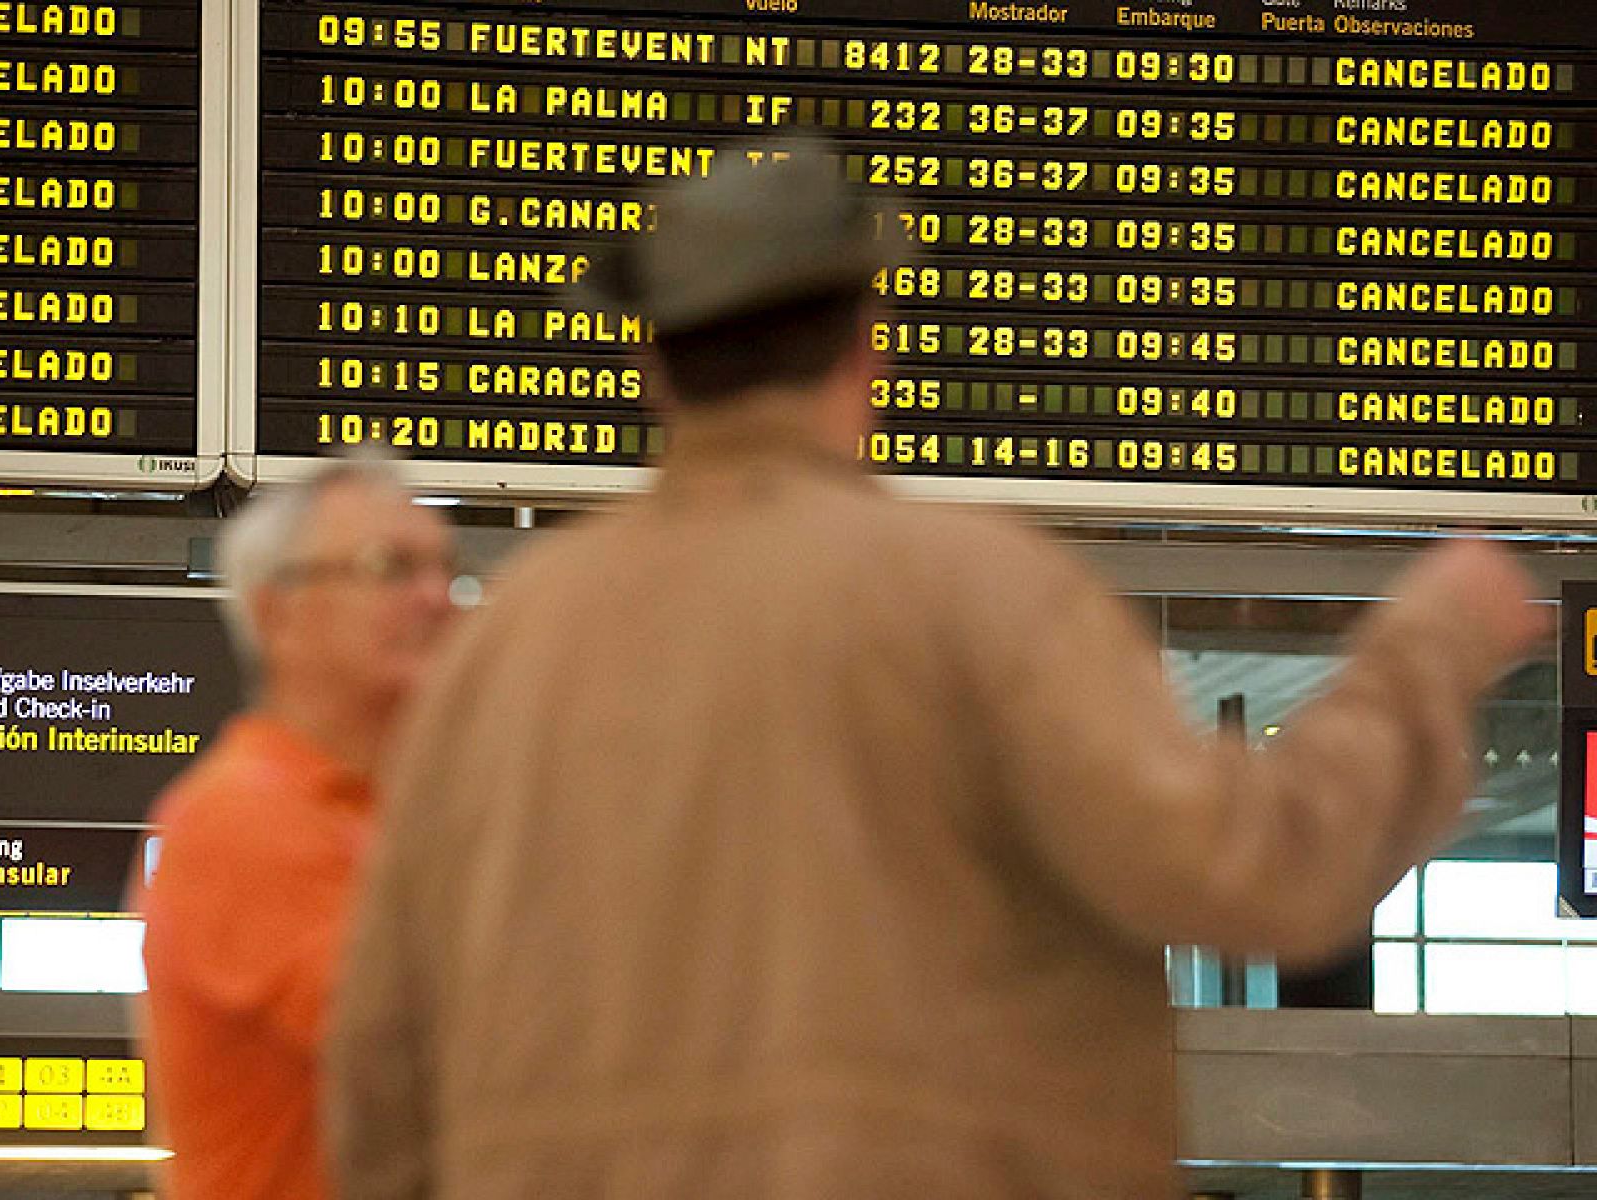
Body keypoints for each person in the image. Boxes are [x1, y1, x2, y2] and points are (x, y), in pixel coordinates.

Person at [327, 140, 1543, 1199]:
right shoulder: (974, 594)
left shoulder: (497, 651)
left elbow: (378, 1063)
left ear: (651, 370)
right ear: (870, 347)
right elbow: (1253, 874)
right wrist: (1428, 648)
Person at [140, 457, 459, 1200]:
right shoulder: (241, 821)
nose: (437, 597)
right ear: (275, 612)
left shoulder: (407, 813)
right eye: (391, 567)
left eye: (446, 567)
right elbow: (452, 1062)